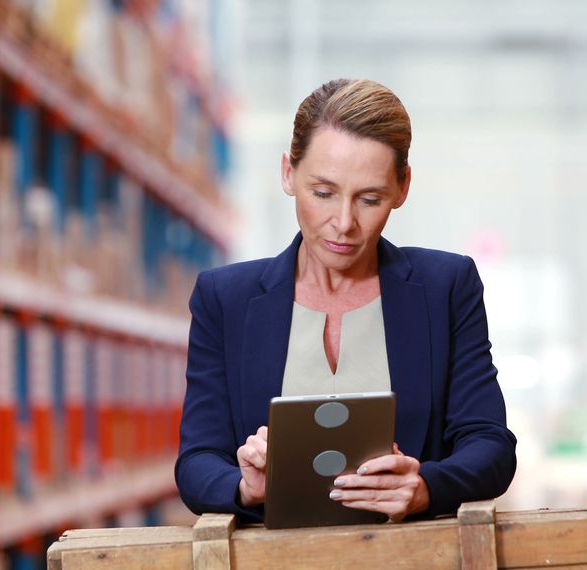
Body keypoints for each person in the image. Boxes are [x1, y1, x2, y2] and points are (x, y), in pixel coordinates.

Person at [175, 79, 516, 524]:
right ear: (287, 174)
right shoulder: (226, 299)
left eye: (369, 199)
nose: (343, 223)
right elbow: (196, 461)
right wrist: (244, 486)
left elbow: (490, 444)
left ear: (402, 188)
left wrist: (427, 486)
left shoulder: (446, 287)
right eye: (323, 193)